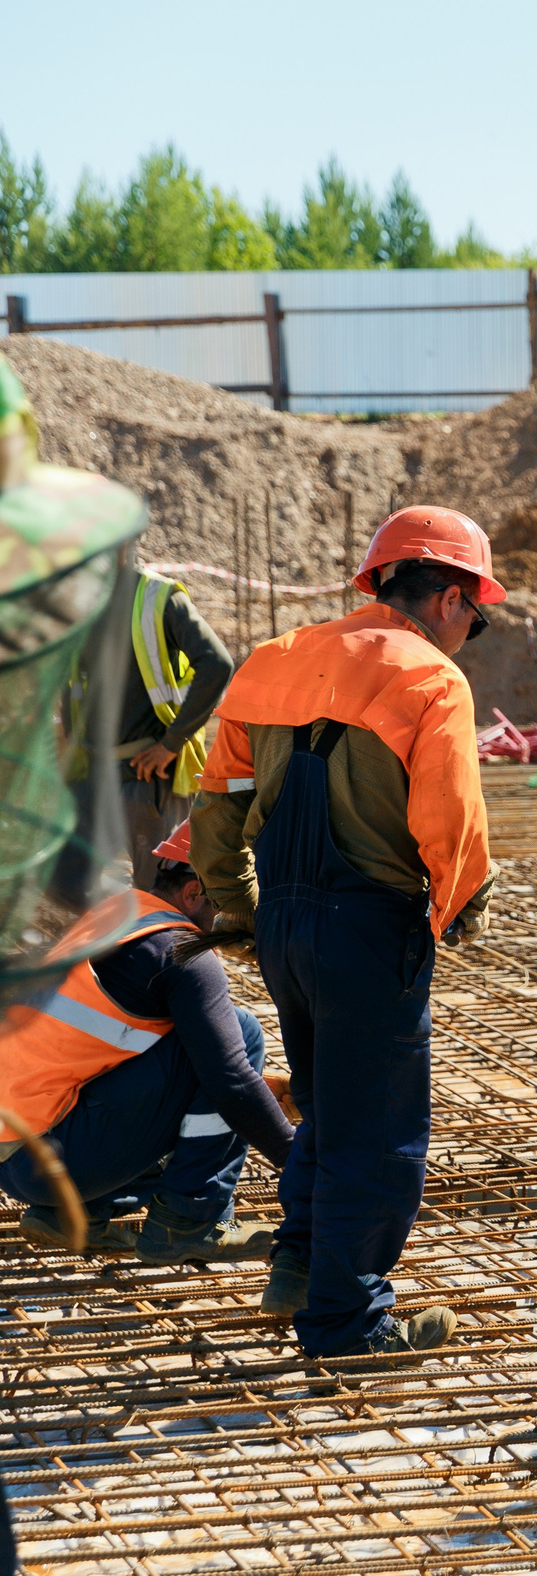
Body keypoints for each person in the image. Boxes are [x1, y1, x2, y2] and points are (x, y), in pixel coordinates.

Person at [192, 506, 501, 1370]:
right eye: (472, 617)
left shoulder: (275, 660)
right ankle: (347, 1322)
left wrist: (242, 909)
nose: (466, 635)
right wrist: (459, 904)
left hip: (287, 920)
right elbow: (450, 819)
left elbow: (216, 804)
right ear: (448, 596)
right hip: (370, 925)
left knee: (327, 1105)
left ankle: (297, 1262)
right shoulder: (432, 679)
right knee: (377, 1133)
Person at [2, 822, 295, 1264]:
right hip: (48, 1160)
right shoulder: (182, 953)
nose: (241, 922)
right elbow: (230, 1081)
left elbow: (109, 1047)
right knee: (243, 1033)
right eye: (235, 906)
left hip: (21, 1153)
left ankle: (77, 1213)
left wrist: (260, 1090)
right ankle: (191, 1220)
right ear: (194, 892)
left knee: (217, 1061)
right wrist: (298, 1159)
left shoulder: (119, 914)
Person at [68, 562, 234, 887]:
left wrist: (171, 744)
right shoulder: (79, 602)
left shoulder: (157, 598)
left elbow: (216, 665)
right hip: (99, 775)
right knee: (104, 902)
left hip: (150, 780)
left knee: (162, 893)